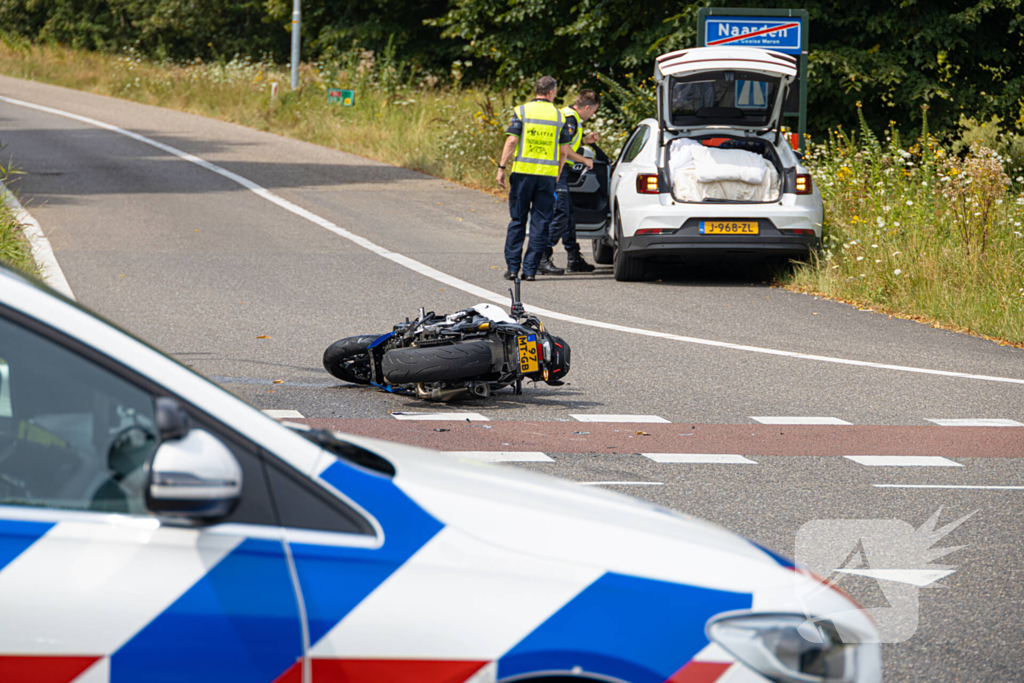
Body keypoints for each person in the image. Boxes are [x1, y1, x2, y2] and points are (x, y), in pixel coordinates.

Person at [496, 76, 573, 281]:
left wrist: (501, 167)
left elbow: (512, 140)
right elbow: (564, 150)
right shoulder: (559, 116)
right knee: (540, 223)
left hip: (523, 174)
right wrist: (558, 172)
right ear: (550, 92)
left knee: (518, 220)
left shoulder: (522, 111)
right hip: (547, 177)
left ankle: (513, 269)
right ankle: (530, 271)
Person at [541, 89, 602, 274]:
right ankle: (541, 255)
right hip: (556, 170)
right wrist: (585, 160)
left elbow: (568, 142)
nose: (593, 115)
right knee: (561, 213)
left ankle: (574, 258)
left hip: (561, 170)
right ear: (587, 107)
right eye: (593, 111)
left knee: (569, 216)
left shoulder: (570, 117)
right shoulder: (570, 118)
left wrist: (584, 140)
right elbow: (563, 150)